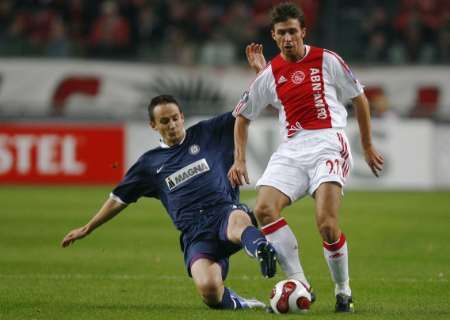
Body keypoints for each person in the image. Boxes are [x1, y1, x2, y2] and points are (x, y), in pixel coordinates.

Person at [228, 2, 384, 313]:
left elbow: (359, 97)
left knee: (327, 225)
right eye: (282, 33)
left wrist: (366, 145)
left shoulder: (327, 59)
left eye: (293, 32)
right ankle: (300, 282)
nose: (288, 38)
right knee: (264, 208)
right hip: (291, 149)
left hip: (328, 143)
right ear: (274, 35)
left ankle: (343, 289)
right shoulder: (269, 73)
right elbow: (242, 117)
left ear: (303, 32)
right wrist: (240, 160)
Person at [61, 94, 277, 311]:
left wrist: (263, 75)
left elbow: (244, 111)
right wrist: (88, 228)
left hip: (224, 213)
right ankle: (243, 303)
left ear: (182, 117)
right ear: (153, 125)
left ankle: (261, 248)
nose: (172, 125)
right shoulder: (149, 164)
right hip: (196, 234)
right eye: (165, 121)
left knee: (238, 220)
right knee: (209, 290)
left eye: (175, 118)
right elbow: (118, 200)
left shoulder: (207, 132)